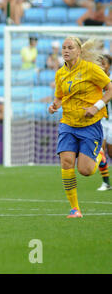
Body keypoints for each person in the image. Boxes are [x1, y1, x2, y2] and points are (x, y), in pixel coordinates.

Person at [48, 37, 112, 217]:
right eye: (63, 47)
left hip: (89, 125)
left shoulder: (91, 69)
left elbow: (110, 88)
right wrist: (54, 105)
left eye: (70, 48)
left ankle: (99, 155)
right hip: (68, 123)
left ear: (78, 51)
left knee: (85, 170)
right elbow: (59, 97)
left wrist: (96, 107)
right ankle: (75, 208)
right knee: (66, 162)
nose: (66, 50)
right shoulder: (60, 73)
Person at [97, 54, 112, 191]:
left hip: (111, 120)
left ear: (109, 65)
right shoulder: (96, 79)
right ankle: (106, 182)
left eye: (104, 63)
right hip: (100, 120)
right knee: (100, 150)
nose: (102, 66)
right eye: (100, 63)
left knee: (111, 152)